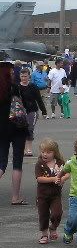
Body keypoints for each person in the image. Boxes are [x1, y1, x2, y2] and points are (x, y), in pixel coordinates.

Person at [1, 60, 30, 204]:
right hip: (17, 128)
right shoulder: (15, 88)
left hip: (1, 130)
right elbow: (23, 105)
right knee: (17, 163)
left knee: (1, 163)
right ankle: (15, 197)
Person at [34, 138, 66, 244]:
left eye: (48, 152)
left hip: (55, 195)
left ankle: (53, 227)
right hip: (42, 195)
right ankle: (44, 234)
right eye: (43, 152)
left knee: (57, 213)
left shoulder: (60, 162)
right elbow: (39, 178)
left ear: (55, 152)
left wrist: (62, 179)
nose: (45, 154)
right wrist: (52, 179)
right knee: (43, 214)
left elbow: (68, 172)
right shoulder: (40, 164)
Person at [16, 67, 46, 157]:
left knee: (29, 129)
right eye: (22, 76)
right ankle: (23, 149)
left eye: (25, 76)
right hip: (20, 112)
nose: (24, 78)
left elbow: (39, 99)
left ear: (29, 76)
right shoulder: (16, 87)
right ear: (19, 77)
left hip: (32, 111)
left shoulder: (33, 87)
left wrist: (44, 111)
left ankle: (29, 149)